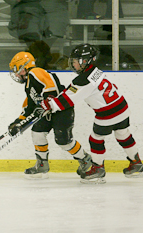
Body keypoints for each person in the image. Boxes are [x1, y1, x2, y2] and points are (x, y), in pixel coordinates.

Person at [40, 44, 143, 184]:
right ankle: (137, 164)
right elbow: (73, 90)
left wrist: (51, 104)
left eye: (75, 61)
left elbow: (69, 99)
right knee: (123, 133)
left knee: (95, 138)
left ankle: (97, 169)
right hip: (121, 106)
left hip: (108, 113)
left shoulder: (83, 80)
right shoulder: (95, 71)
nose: (73, 64)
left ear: (86, 61)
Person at [7, 51, 92, 179]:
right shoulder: (29, 85)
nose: (16, 73)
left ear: (24, 66)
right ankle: (42, 164)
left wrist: (47, 101)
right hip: (46, 112)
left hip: (61, 109)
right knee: (37, 133)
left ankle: (85, 159)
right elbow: (29, 106)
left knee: (63, 141)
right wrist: (18, 122)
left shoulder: (35, 72)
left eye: (16, 69)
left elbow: (52, 86)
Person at [0, 0, 75, 48]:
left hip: (53, 6)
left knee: (55, 26)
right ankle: (40, 55)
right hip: (26, 5)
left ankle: (38, 55)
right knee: (30, 30)